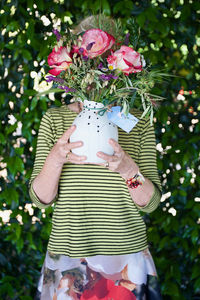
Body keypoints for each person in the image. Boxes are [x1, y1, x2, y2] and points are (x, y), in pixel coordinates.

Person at [29, 98, 162, 299]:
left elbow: (148, 203)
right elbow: (41, 198)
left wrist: (129, 172)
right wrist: (55, 160)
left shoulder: (136, 121)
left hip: (126, 259)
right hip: (69, 257)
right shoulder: (55, 119)